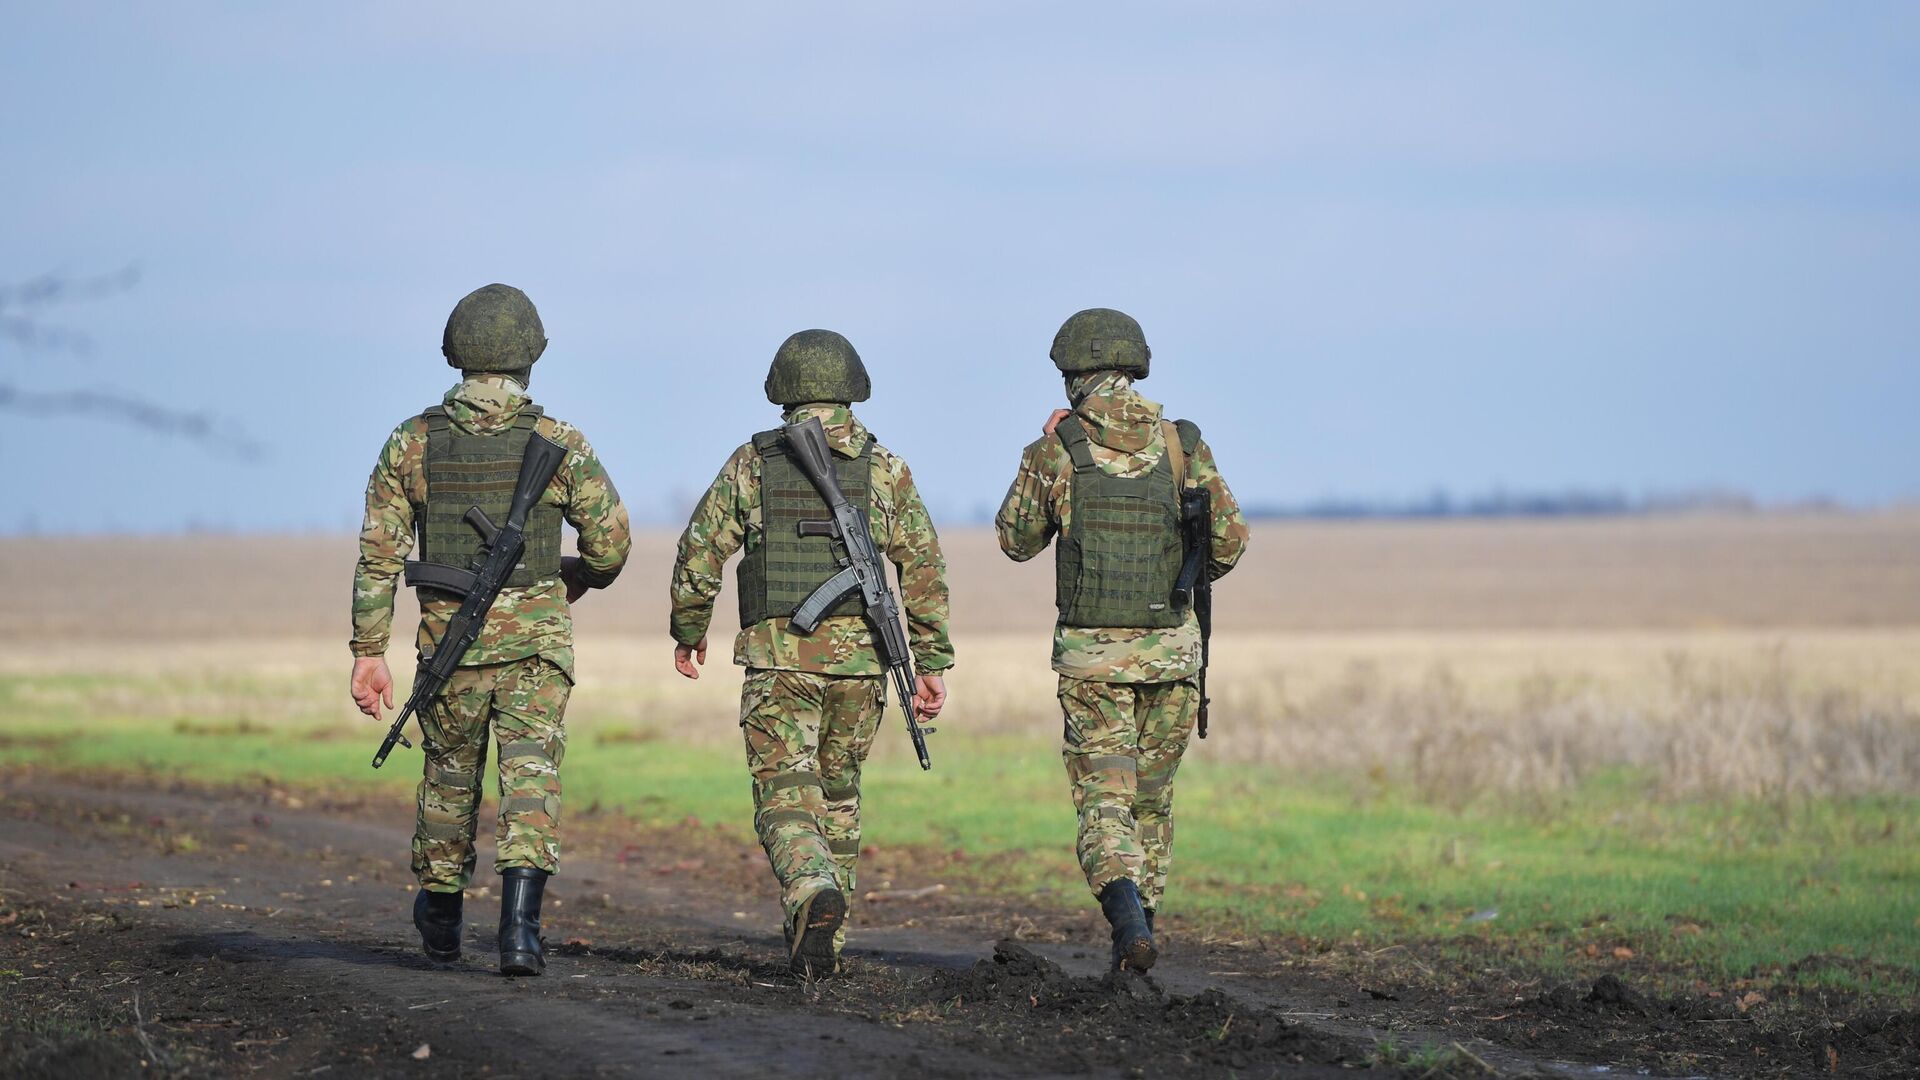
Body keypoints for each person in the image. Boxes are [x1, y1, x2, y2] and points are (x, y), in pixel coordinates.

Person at [348, 284, 631, 976]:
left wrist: (367, 651)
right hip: (536, 647)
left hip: (451, 647)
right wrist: (574, 577)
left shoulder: (412, 443)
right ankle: (519, 933)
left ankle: (442, 918)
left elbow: (379, 555)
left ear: (457, 356)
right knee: (530, 778)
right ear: (530, 357)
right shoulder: (560, 442)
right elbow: (612, 543)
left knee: (448, 778)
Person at [669, 329, 953, 979]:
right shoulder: (885, 467)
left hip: (780, 660)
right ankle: (827, 940)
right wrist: (931, 662)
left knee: (785, 795)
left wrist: (689, 629)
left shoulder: (754, 462)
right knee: (839, 794)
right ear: (853, 388)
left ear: (783, 391)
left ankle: (810, 890)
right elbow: (926, 569)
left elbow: (699, 551)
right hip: (861, 666)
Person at [995, 307, 1248, 972]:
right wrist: (1179, 571)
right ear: (1132, 367)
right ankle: (1142, 938)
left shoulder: (1059, 449)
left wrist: (1042, 449)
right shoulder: (1181, 444)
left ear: (1073, 376)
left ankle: (1126, 919)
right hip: (1173, 656)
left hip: (1093, 664)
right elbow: (1230, 542)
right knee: (1152, 803)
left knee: (1105, 798)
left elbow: (1015, 541)